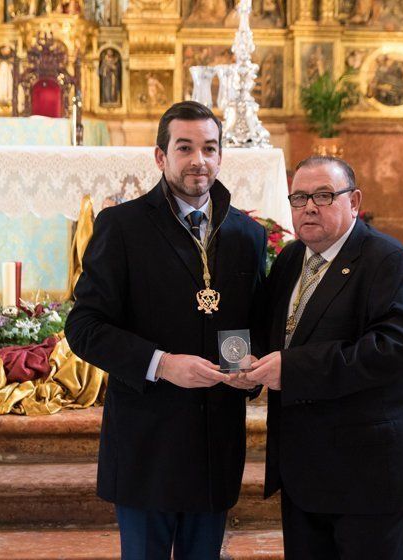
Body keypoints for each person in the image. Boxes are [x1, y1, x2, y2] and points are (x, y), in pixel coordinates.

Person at [64, 100, 267, 560]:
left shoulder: (246, 235)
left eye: (210, 148)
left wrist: (247, 372)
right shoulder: (123, 226)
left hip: (216, 440)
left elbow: (249, 322)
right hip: (147, 441)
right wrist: (161, 364)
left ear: (221, 155)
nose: (199, 160)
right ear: (161, 157)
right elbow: (83, 326)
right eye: (185, 147)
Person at [244, 156, 403, 560]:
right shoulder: (290, 259)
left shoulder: (388, 260)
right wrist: (249, 366)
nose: (309, 207)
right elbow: (278, 336)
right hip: (305, 472)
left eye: (323, 195)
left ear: (354, 202)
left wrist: (291, 369)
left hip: (370, 476)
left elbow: (394, 350)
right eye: (299, 198)